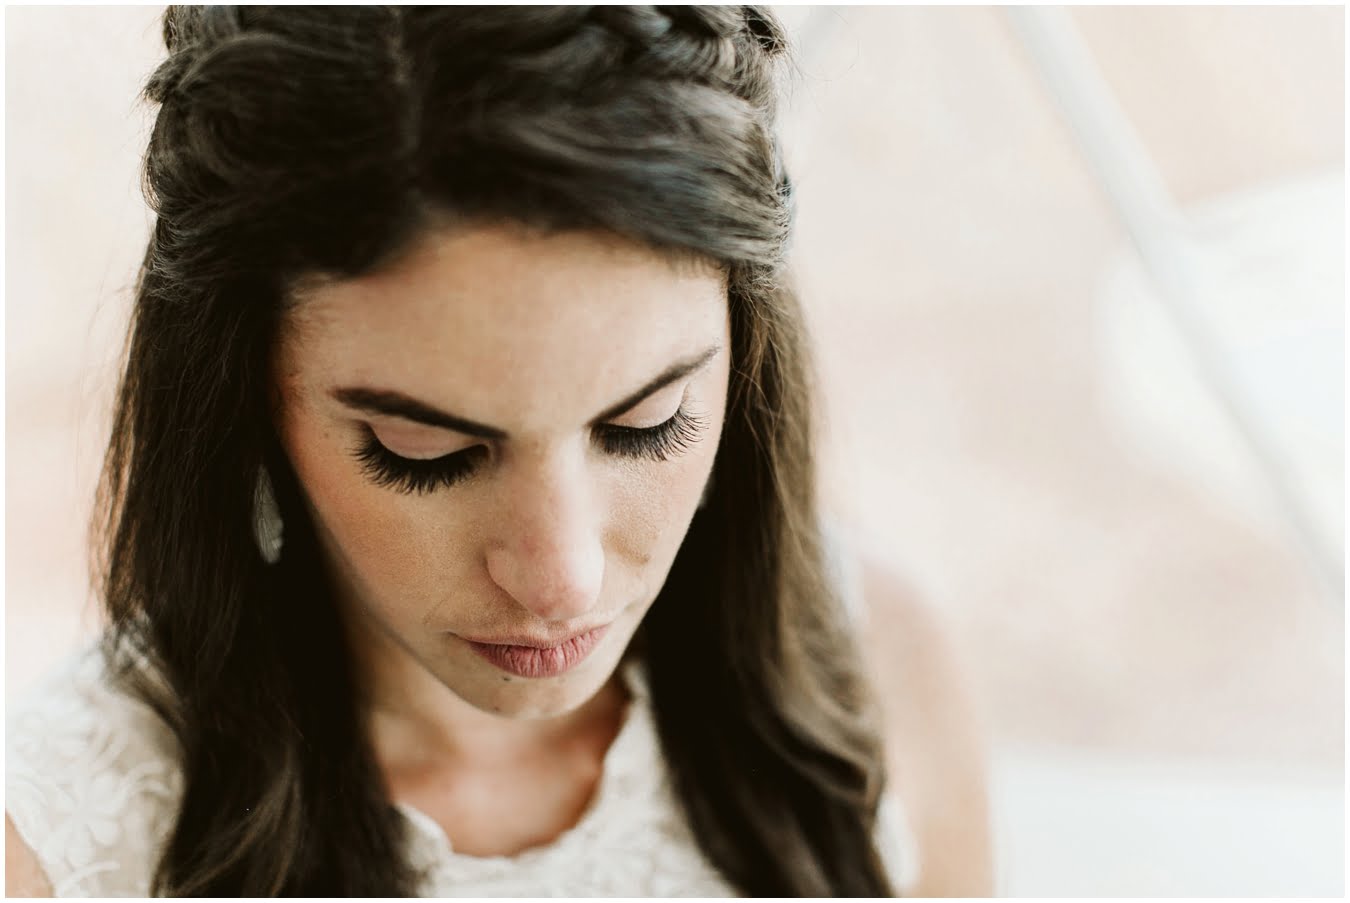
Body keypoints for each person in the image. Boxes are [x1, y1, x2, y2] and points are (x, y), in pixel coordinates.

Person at [5, 6, 991, 896]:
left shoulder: (875, 667)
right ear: (250, 399)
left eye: (649, 424)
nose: (561, 579)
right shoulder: (61, 845)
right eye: (423, 451)